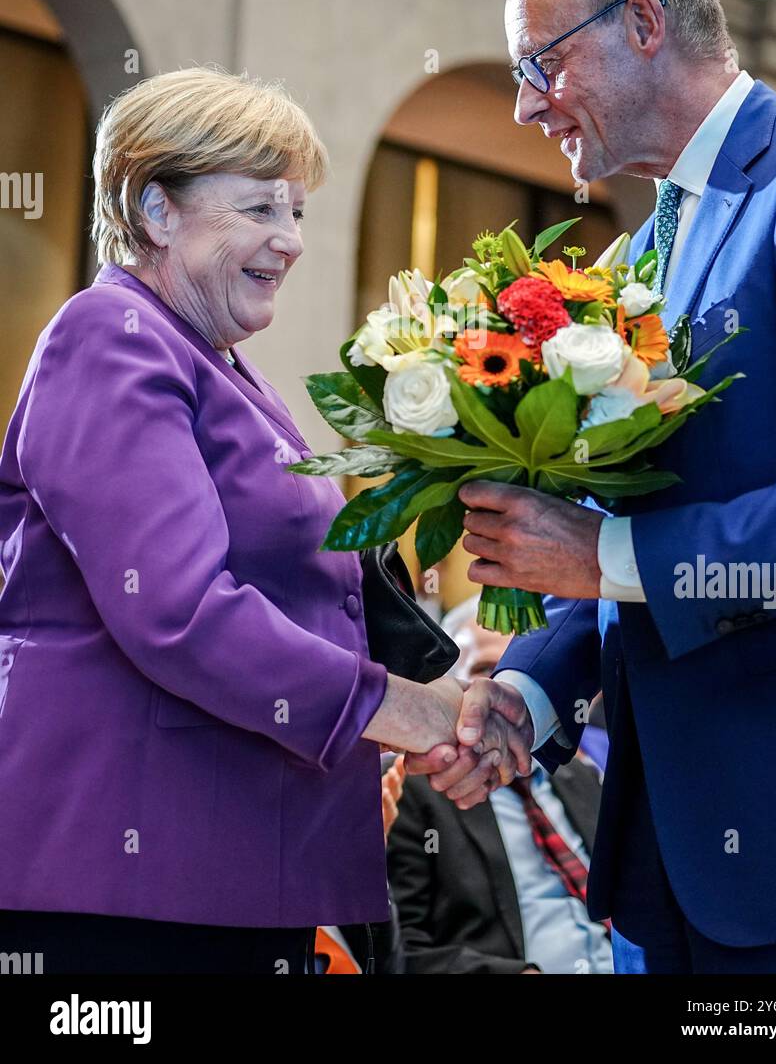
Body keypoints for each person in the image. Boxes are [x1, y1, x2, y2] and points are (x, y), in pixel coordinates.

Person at [408, 0, 776, 973]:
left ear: (644, 19)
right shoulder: (643, 250)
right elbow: (621, 523)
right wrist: (523, 691)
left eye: (540, 61)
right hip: (663, 860)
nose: (524, 103)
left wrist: (606, 557)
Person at [0, 66, 516, 975]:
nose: (291, 240)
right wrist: (398, 710)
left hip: (228, 869)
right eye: (259, 210)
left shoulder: (225, 367)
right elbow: (178, 610)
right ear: (156, 210)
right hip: (132, 881)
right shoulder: (111, 334)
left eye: (297, 213)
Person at [388, 604, 611, 973]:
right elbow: (399, 949)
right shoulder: (411, 791)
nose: (497, 696)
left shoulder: (579, 775)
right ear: (446, 684)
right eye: (479, 673)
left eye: (510, 680)